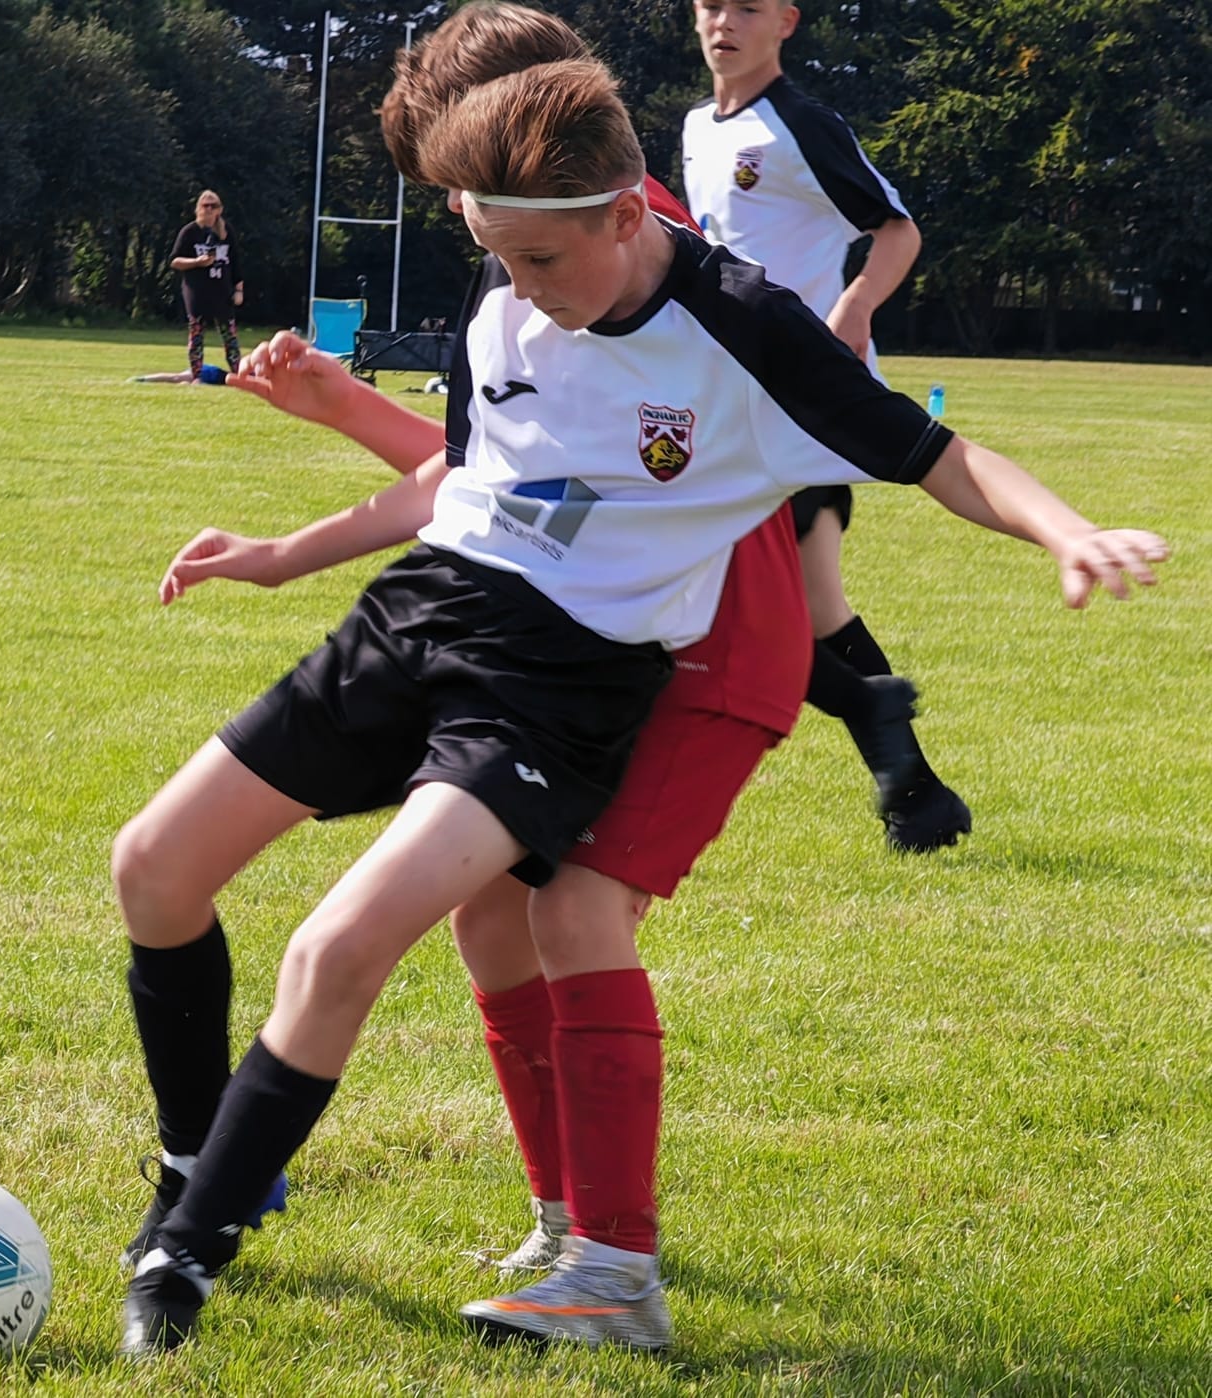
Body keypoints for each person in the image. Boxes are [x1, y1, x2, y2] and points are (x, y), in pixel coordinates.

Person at [112, 56, 1167, 1358]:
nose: (516, 290)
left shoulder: (732, 319)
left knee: (488, 921)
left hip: (624, 674)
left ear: (622, 207)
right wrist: (286, 538)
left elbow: (936, 454)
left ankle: (503, 1256)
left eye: (533, 259)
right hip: (454, 622)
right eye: (492, 252)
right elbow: (499, 479)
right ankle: (543, 1225)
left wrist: (1066, 530)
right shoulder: (521, 263)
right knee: (321, 888)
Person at [681, 0, 967, 852]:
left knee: (713, 595)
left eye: (746, 8)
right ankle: (915, 788)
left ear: (787, 23)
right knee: (811, 608)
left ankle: (908, 779)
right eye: (709, 5)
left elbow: (896, 229)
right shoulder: (698, 126)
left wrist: (854, 306)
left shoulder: (800, 124)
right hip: (729, 402)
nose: (722, 22)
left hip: (799, 403)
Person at [169, 191, 244, 380]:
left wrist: (239, 290)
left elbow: (236, 263)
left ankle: (239, 374)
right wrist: (197, 262)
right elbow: (174, 261)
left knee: (230, 337)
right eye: (205, 205)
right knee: (196, 336)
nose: (209, 209)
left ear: (220, 209)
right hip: (197, 291)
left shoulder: (227, 232)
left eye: (213, 206)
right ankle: (196, 376)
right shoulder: (190, 232)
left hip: (222, 291)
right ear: (198, 209)